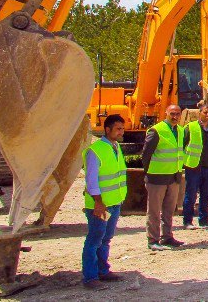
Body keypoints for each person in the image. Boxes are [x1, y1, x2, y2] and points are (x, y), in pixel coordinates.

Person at [81, 114, 127, 289]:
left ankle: (103, 270)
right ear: (107, 130)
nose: (121, 132)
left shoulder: (116, 147)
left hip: (114, 203)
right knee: (94, 240)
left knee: (105, 239)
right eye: (118, 129)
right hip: (99, 205)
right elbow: (91, 181)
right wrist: (98, 203)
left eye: (122, 128)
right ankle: (90, 277)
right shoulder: (96, 151)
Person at [142, 104, 185, 251]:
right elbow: (146, 155)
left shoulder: (180, 131)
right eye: (172, 114)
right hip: (157, 178)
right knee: (154, 211)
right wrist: (148, 173)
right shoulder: (156, 131)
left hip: (173, 177)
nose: (175, 117)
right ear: (166, 113)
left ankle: (167, 237)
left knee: (169, 210)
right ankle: (153, 239)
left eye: (177, 114)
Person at [183, 103, 208, 228]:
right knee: (191, 194)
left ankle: (204, 219)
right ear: (200, 113)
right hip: (194, 167)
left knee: (207, 194)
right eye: (205, 112)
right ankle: (187, 221)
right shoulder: (191, 127)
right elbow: (182, 145)